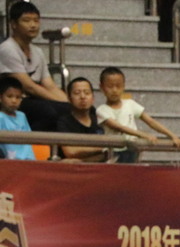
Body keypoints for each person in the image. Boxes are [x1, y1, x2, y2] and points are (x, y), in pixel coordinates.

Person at [0, 1, 70, 131]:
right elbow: (29, 87)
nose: (33, 25)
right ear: (13, 24)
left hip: (35, 100)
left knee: (81, 111)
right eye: (26, 20)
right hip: (15, 100)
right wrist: (61, 104)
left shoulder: (37, 51)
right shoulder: (7, 49)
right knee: (49, 112)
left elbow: (50, 86)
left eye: (36, 21)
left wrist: (71, 104)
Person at [97, 67, 180, 163]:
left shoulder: (130, 103)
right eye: (110, 86)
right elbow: (119, 127)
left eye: (118, 86)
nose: (114, 90)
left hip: (133, 150)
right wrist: (143, 135)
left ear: (124, 86)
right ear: (101, 87)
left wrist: (172, 136)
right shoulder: (101, 110)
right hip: (113, 152)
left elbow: (150, 121)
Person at [56, 77, 108, 163]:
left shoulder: (101, 119)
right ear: (69, 98)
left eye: (87, 93)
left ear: (93, 98)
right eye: (77, 93)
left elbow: (109, 152)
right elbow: (70, 152)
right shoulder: (64, 122)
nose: (83, 97)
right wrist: (102, 148)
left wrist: (81, 159)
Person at [0, 76, 36, 160]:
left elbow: (30, 137)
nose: (14, 101)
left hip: (29, 159)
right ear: (0, 98)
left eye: (18, 97)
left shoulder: (22, 116)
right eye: (9, 96)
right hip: (9, 161)